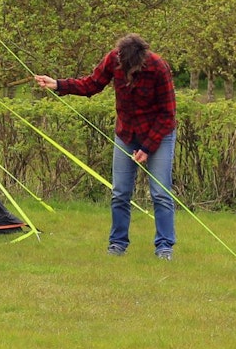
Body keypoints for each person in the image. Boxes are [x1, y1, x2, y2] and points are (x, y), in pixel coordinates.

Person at [33, 34, 177, 260]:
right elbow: (91, 84)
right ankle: (117, 244)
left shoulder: (159, 67)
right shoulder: (113, 59)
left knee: (160, 193)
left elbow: (168, 115)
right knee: (120, 192)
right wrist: (58, 84)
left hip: (158, 133)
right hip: (126, 133)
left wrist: (147, 147)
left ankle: (164, 247)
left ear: (141, 61)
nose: (126, 71)